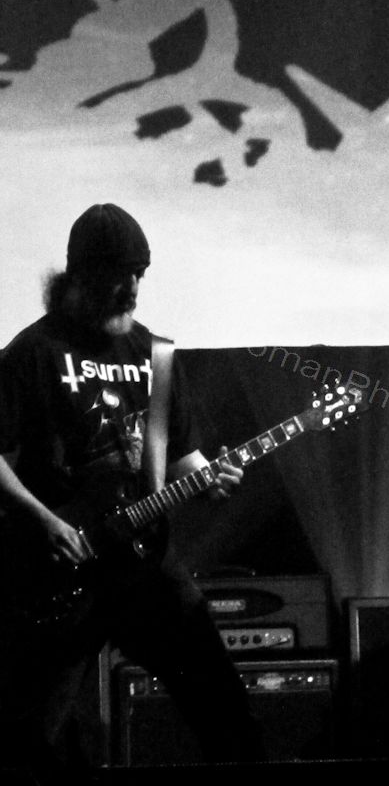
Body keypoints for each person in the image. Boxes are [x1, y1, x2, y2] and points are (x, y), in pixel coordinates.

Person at [0, 204, 265, 781]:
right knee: (29, 739)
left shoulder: (156, 356)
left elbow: (179, 455)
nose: (133, 289)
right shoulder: (34, 352)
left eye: (140, 274)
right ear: (80, 274)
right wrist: (44, 521)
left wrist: (215, 476)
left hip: (143, 565)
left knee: (226, 713)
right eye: (120, 276)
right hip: (62, 572)